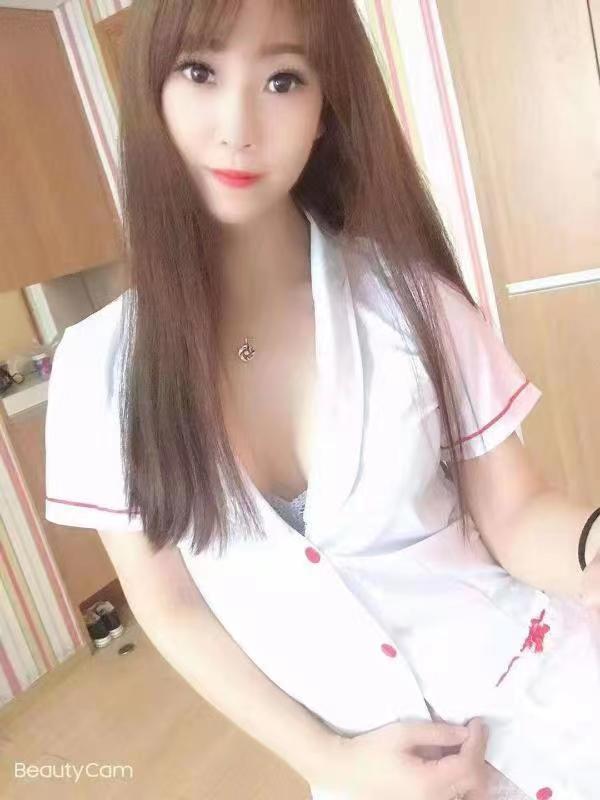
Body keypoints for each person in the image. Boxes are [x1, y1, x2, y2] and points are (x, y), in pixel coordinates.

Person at [44, 1, 600, 799]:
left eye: (282, 79)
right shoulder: (98, 370)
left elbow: (516, 512)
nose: (238, 127)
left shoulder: (411, 301)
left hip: (559, 708)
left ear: (323, 111)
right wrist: (325, 762)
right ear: (150, 92)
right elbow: (171, 608)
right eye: (199, 72)